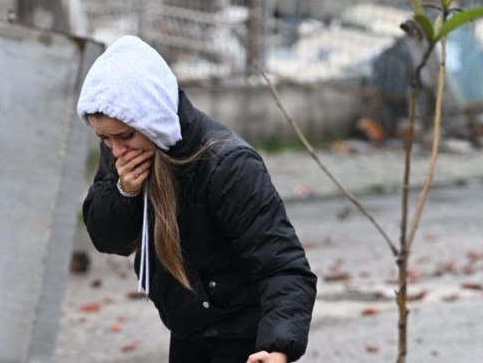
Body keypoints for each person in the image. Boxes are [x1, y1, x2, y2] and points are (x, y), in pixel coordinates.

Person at [77, 35, 316, 363]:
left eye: (124, 136)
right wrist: (125, 192)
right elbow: (107, 239)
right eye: (104, 138)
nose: (116, 149)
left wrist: (277, 347)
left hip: (245, 337)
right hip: (189, 331)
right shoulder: (122, 154)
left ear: (152, 118)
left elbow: (283, 265)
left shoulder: (227, 164)